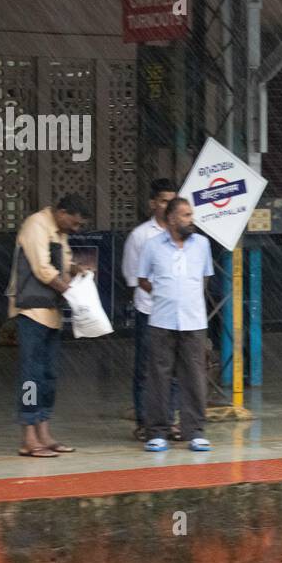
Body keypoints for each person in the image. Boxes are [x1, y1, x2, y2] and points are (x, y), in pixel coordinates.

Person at [7, 194, 90, 457]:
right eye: (74, 223)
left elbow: (62, 264)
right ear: (62, 212)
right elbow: (43, 268)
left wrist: (77, 270)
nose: (75, 229)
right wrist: (70, 291)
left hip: (51, 311)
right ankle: (28, 438)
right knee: (31, 375)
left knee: (49, 374)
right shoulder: (36, 225)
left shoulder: (59, 231)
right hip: (32, 311)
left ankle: (44, 432)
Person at [137, 197, 214, 452]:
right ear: (171, 219)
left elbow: (204, 278)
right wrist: (163, 294)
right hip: (162, 320)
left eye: (191, 215)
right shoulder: (152, 246)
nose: (190, 220)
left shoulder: (202, 244)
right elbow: (142, 279)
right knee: (159, 377)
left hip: (194, 322)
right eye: (185, 215)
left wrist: (188, 298)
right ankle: (158, 432)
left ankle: (195, 431)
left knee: (194, 377)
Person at [122, 178, 179, 437]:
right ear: (153, 203)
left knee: (174, 368)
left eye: (172, 201)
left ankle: (170, 420)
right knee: (146, 367)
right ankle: (145, 423)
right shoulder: (140, 236)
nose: (169, 206)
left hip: (179, 312)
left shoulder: (183, 233)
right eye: (164, 201)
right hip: (150, 310)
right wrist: (162, 294)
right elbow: (134, 277)